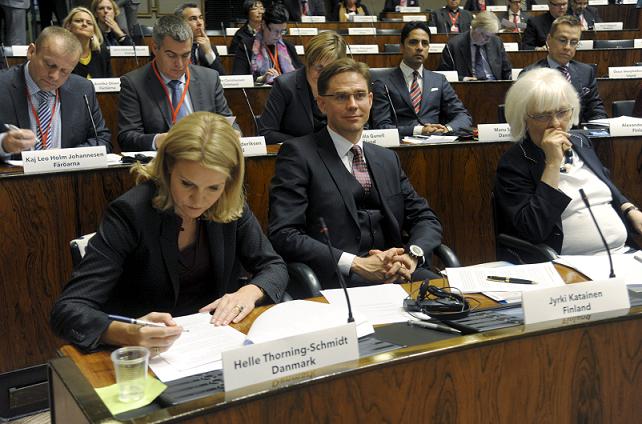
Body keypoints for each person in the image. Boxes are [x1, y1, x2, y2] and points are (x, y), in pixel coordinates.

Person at [51, 112, 287, 352]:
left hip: (213, 342)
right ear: (167, 167)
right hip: (145, 355)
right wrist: (127, 332)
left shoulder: (228, 204)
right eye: (187, 184)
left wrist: (250, 291)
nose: (198, 200)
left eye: (213, 187)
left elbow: (274, 266)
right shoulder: (130, 213)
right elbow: (68, 310)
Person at [268, 58, 443, 289]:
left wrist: (411, 256)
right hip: (339, 282)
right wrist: (356, 264)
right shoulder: (298, 155)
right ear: (321, 104)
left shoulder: (386, 159)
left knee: (459, 305)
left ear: (370, 101)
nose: (353, 104)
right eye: (341, 97)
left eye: (360, 95)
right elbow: (285, 234)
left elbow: (426, 218)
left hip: (396, 273)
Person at [494, 68, 642, 262]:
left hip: (622, 254)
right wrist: (553, 163)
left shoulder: (581, 142)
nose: (555, 123)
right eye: (542, 115)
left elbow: (606, 185)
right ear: (523, 118)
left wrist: (629, 208)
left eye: (562, 112)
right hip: (568, 263)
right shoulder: (515, 162)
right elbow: (532, 229)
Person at [118, 15, 236, 152]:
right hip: (162, 164)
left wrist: (233, 133)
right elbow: (127, 138)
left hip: (206, 159)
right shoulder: (133, 83)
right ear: (155, 48)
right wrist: (158, 140)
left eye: (185, 55)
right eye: (171, 55)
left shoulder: (209, 78)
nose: (179, 64)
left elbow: (228, 122)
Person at [0, 26, 111, 160]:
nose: (55, 76)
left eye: (65, 71)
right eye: (50, 65)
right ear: (31, 51)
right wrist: (3, 144)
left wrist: (64, 158)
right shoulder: (3, 85)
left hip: (67, 177)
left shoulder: (83, 89)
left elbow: (102, 140)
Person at [371, 22, 472, 137]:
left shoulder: (439, 80)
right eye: (413, 42)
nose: (419, 48)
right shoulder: (383, 83)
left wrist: (446, 129)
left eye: (425, 43)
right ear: (402, 47)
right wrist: (419, 130)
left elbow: (463, 116)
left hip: (436, 143)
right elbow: (381, 126)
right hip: (402, 145)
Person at [258, 31, 347, 145]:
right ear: (308, 62)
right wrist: (308, 145)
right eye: (319, 67)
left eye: (331, 69)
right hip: (297, 156)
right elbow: (266, 132)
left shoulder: (344, 87)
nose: (324, 75)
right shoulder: (285, 85)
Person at [521, 16, 607, 123]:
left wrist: (596, 129)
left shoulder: (586, 72)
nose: (567, 47)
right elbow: (525, 118)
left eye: (574, 42)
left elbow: (596, 110)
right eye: (562, 40)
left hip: (577, 136)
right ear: (548, 40)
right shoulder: (530, 75)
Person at [232, 3, 302, 84]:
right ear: (264, 25)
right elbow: (239, 78)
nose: (278, 36)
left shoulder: (288, 46)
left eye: (282, 31)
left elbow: (301, 74)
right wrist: (261, 79)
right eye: (275, 31)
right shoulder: (246, 46)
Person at [438, 11, 512, 81]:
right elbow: (445, 74)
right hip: (467, 88)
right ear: (474, 28)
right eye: (484, 35)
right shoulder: (453, 45)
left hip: (494, 85)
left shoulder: (496, 42)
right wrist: (463, 79)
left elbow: (507, 70)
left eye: (490, 36)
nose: (487, 40)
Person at [174, 2, 226, 75]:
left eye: (201, 18)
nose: (199, 23)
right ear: (180, 23)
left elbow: (221, 77)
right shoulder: (173, 47)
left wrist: (208, 52)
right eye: (193, 19)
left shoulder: (210, 47)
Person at [63, 7, 112, 78]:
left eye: (89, 23)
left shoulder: (102, 52)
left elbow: (110, 81)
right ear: (68, 26)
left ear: (94, 31)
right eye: (78, 21)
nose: (84, 24)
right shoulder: (61, 52)